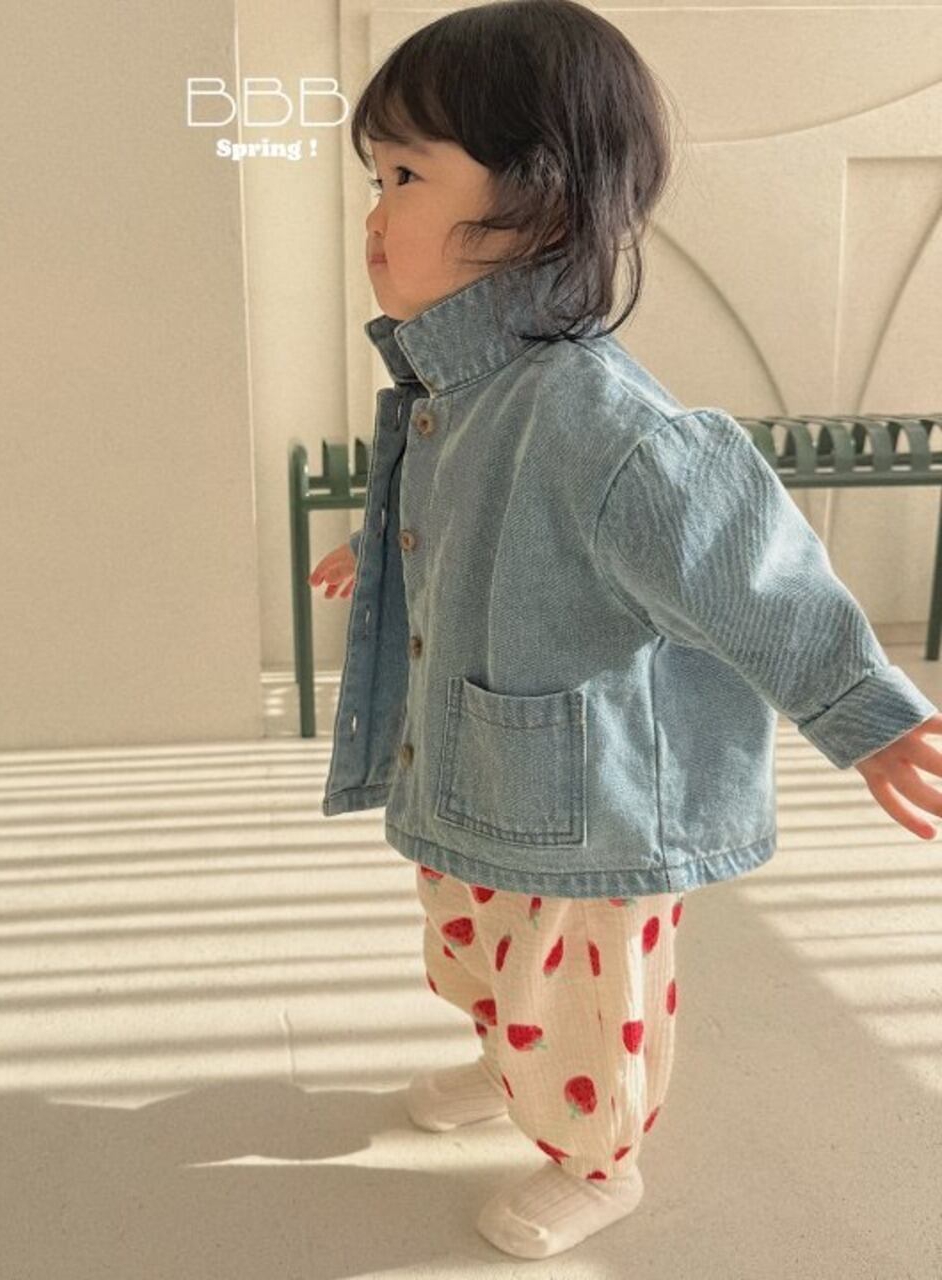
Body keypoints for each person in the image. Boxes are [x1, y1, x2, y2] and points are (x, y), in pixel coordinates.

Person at [308, 0, 942, 1262]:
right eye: (373, 179)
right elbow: (454, 519)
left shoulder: (605, 423)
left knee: (577, 996)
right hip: (483, 768)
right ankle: (504, 1062)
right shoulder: (455, 389)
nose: (372, 216)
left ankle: (597, 1156)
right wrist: (374, 553)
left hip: (588, 799)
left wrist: (863, 712)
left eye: (406, 177)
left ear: (540, 204)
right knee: (472, 945)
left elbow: (752, 576)